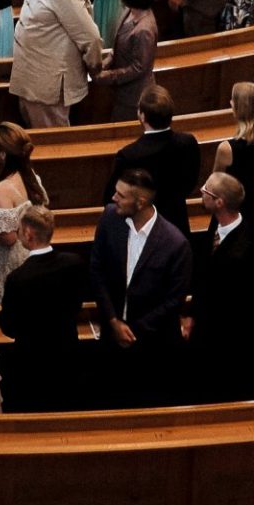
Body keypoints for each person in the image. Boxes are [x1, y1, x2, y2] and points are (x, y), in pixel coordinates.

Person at [90, 168, 191, 407]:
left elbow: (174, 299)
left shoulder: (175, 243)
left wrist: (133, 330)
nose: (114, 198)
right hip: (111, 341)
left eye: (121, 195)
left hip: (152, 348)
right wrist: (113, 321)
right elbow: (97, 270)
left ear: (141, 201)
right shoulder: (109, 218)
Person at [8, 0, 103, 127]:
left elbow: (90, 36)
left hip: (47, 82)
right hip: (33, 75)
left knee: (50, 139)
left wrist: (94, 67)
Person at [0, 204, 86, 412]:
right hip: (67, 353)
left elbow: (8, 327)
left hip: (32, 363)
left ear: (28, 234)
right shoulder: (74, 263)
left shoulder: (18, 278)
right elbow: (77, 303)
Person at [183, 172, 254, 400]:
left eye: (207, 190)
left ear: (219, 202)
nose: (202, 191)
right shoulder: (218, 224)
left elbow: (218, 293)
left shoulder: (241, 251)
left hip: (226, 336)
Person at [104, 84, 200, 239]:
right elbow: (190, 182)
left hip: (142, 229)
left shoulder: (129, 155)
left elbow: (112, 197)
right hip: (178, 224)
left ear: (142, 116)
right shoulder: (187, 142)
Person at [0, 121, 48, 298]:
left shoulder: (3, 189)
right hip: (29, 249)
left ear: (3, 153)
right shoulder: (31, 177)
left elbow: (8, 238)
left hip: (10, 258)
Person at [98, 0, 159, 120]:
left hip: (134, 96)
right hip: (122, 91)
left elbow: (138, 67)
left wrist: (109, 76)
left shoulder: (145, 29)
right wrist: (108, 60)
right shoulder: (129, 11)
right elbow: (118, 43)